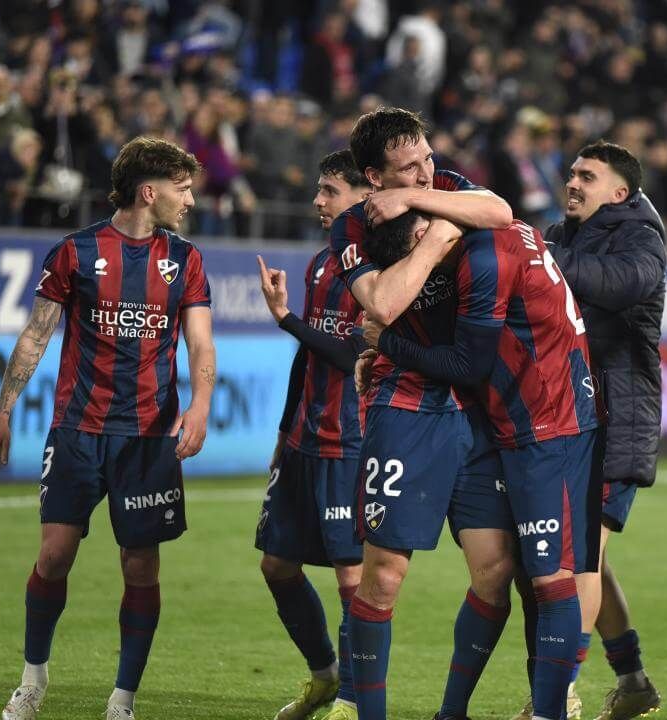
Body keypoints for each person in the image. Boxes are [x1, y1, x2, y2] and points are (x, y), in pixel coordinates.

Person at [0, 136, 216, 720]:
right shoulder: (76, 252)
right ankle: (33, 680)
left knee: (140, 565)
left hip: (147, 437)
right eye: (181, 189)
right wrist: (3, 411)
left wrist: (202, 403)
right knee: (55, 556)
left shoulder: (184, 259)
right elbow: (36, 334)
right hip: (78, 431)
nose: (189, 199)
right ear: (148, 191)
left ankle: (122, 700)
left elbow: (201, 342)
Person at [359, 210, 604, 720]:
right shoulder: (487, 232)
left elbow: (468, 364)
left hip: (546, 423)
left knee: (544, 576)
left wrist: (385, 343)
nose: (430, 230)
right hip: (526, 420)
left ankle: (547, 710)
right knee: (532, 573)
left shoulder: (483, 253)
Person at [327, 106, 517, 720]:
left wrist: (431, 204)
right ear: (374, 178)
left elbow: (501, 212)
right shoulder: (352, 230)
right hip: (403, 404)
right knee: (382, 577)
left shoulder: (448, 190)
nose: (427, 172)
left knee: (496, 570)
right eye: (409, 168)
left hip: (471, 407)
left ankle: (450, 712)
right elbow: (382, 302)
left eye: (428, 157)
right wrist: (437, 240)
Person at [528, 140, 665, 720]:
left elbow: (621, 283)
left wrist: (540, 259)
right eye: (572, 174)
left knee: (578, 561)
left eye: (588, 175)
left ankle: (556, 700)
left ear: (621, 191)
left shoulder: (641, 238)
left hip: (614, 423)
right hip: (566, 419)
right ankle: (632, 682)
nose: (573, 183)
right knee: (588, 559)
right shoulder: (560, 236)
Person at [254, 150, 372, 720]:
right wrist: (282, 431)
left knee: (354, 576)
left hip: (350, 443)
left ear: (361, 196)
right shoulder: (321, 264)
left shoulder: (374, 270)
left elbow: (351, 352)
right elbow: (308, 356)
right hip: (303, 439)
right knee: (276, 564)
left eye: (329, 190)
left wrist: (285, 320)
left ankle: (352, 698)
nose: (318, 202)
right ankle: (325, 674)